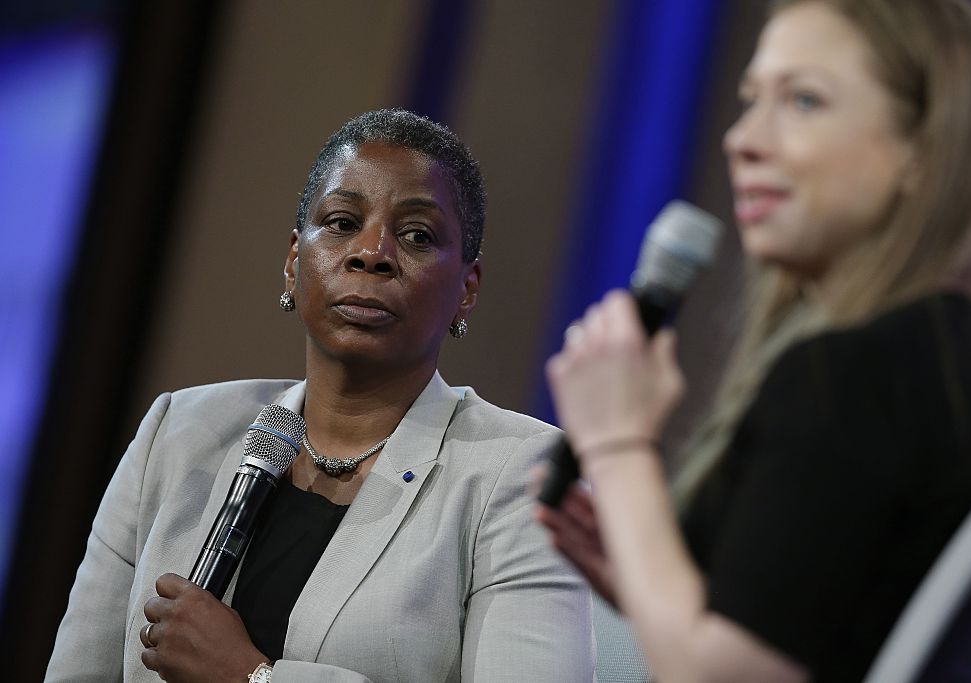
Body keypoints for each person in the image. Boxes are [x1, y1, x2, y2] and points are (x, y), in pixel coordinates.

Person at [538, 0, 971, 681]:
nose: (743, 139)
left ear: (924, 150)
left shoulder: (857, 368)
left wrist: (618, 446)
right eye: (750, 100)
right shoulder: (946, 350)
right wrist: (654, 582)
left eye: (802, 100)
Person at [47, 109, 595, 682]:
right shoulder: (178, 432)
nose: (371, 253)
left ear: (466, 289)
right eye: (340, 222)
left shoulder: (520, 474)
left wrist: (253, 677)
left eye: (416, 236)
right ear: (293, 262)